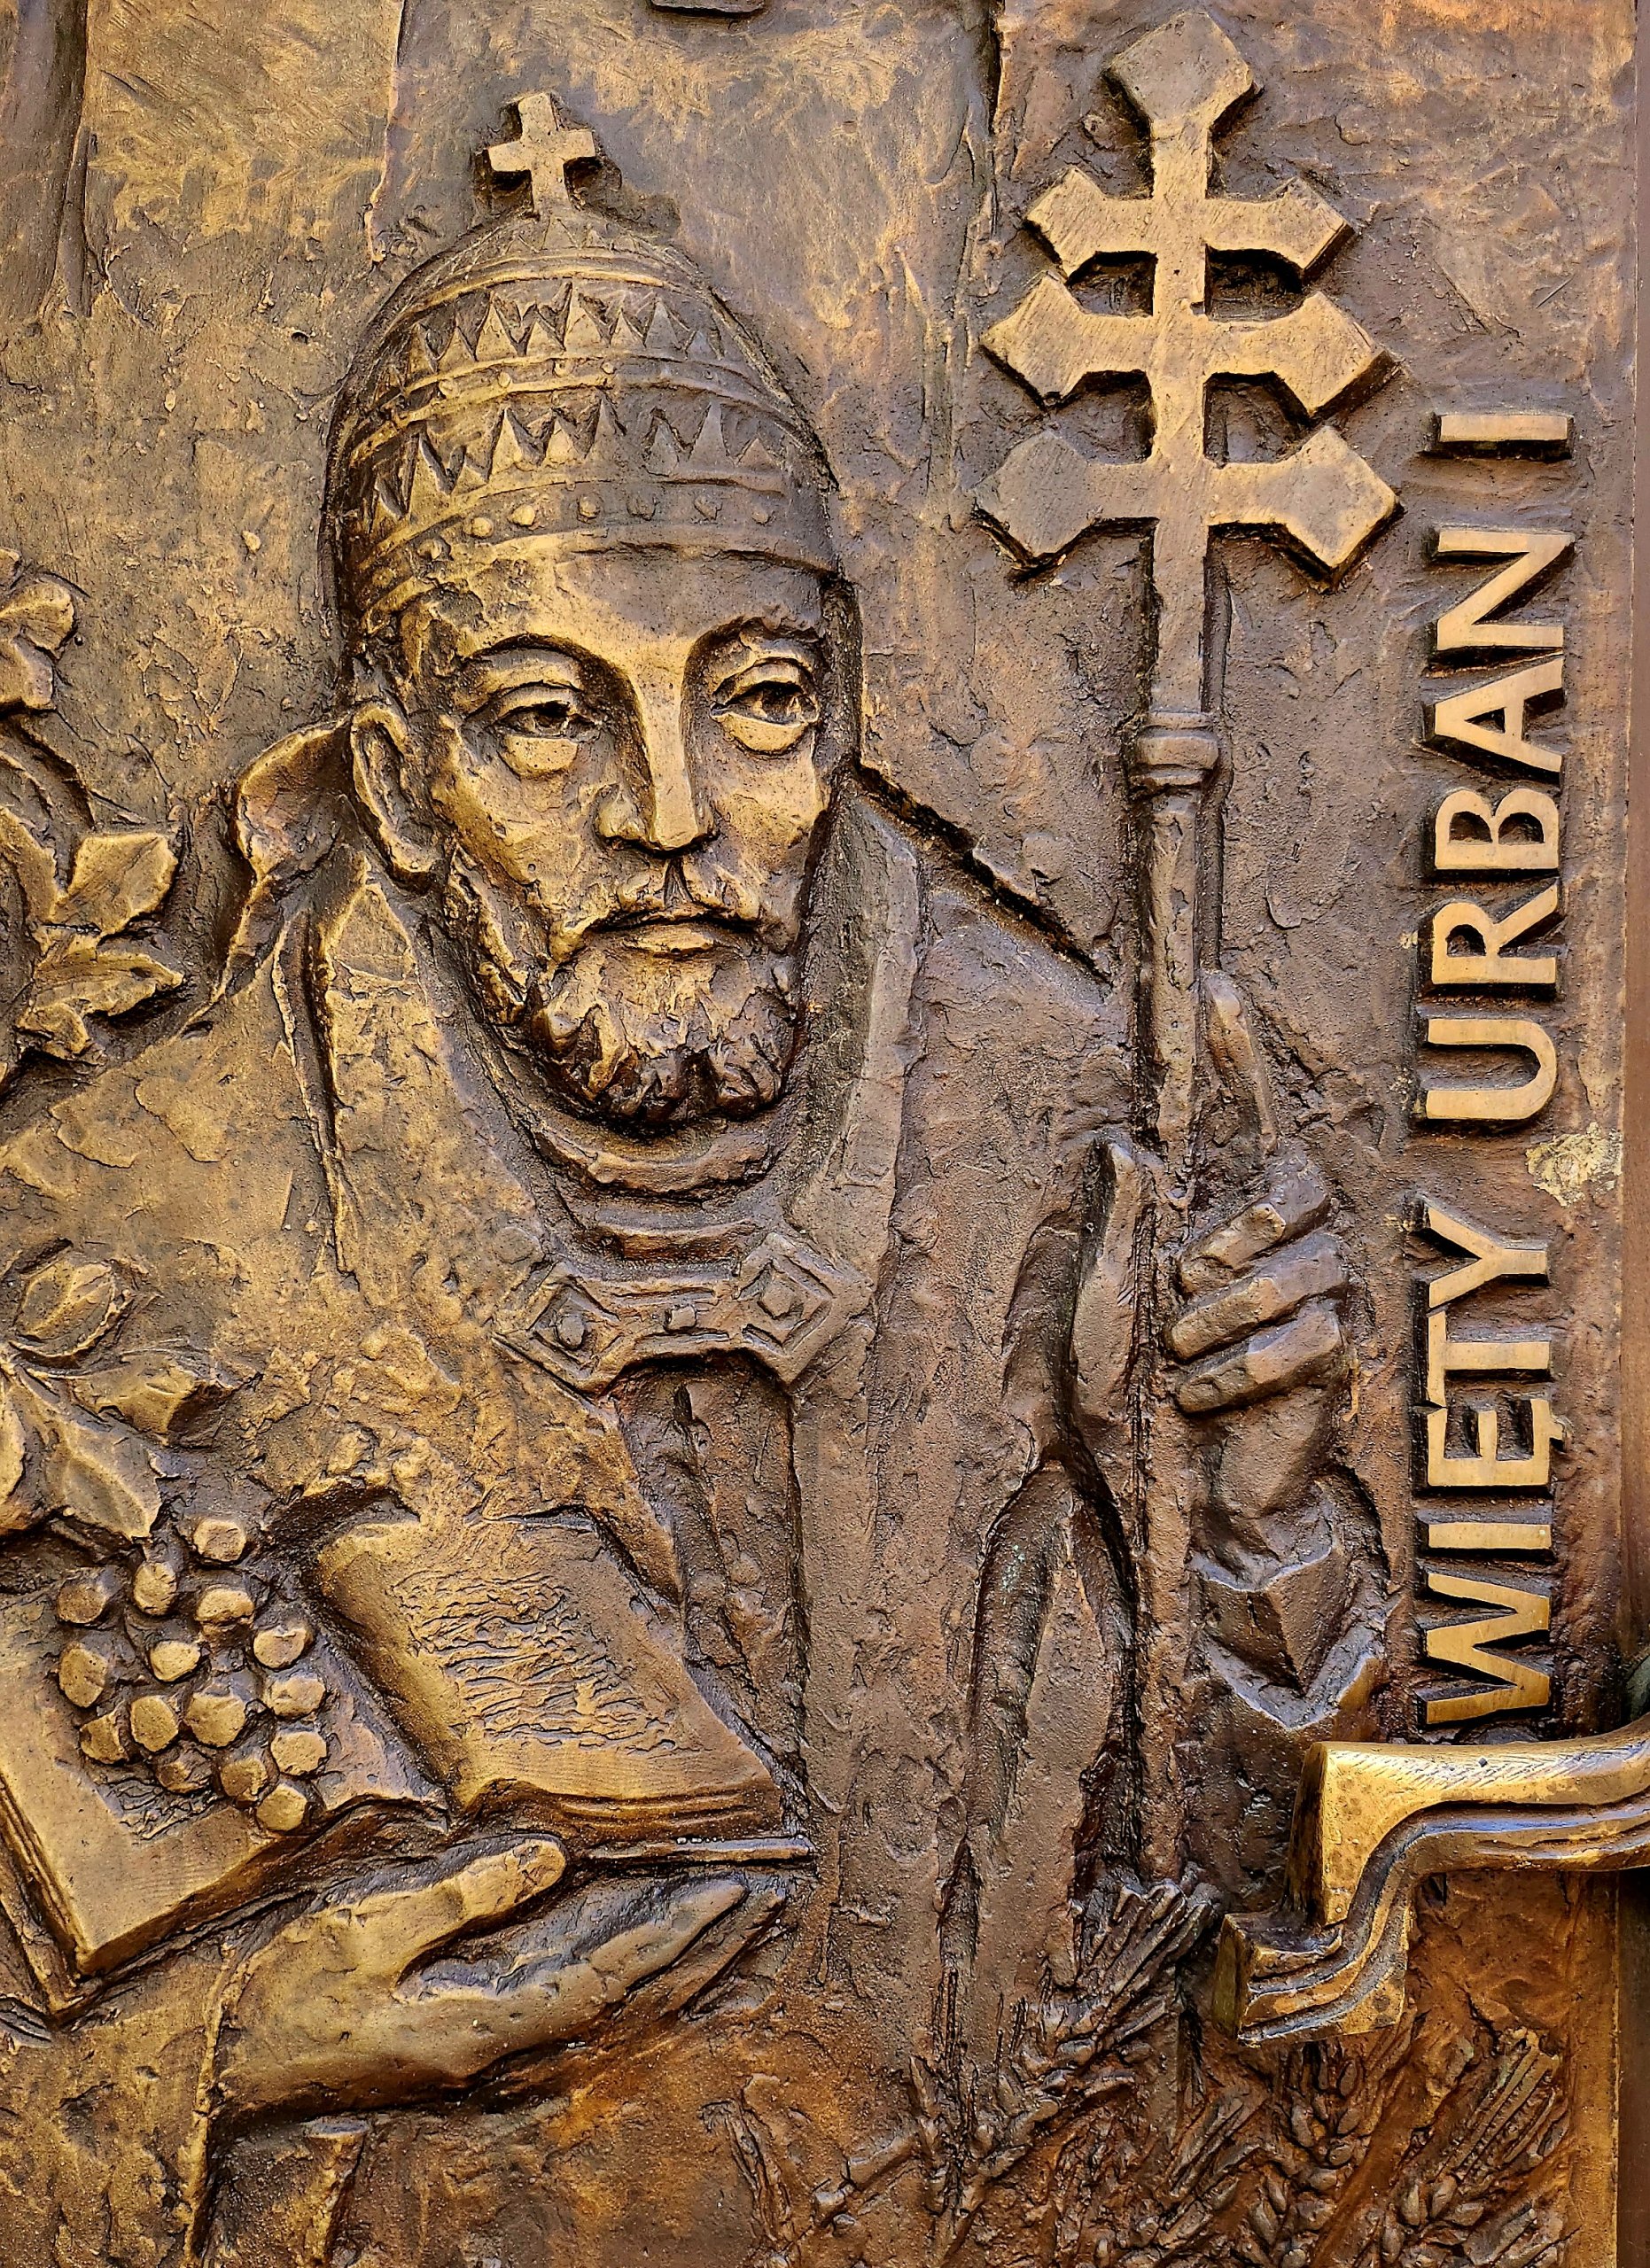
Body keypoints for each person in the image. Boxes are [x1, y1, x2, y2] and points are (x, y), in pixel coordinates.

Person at [0, 107, 1358, 2266]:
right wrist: (234, 2048)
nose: (668, 814)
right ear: (397, 785)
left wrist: (1251, 1517)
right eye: (548, 718)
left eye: (758, 703)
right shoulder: (111, 1240)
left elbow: (1295, 1957)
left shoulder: (1061, 1130)